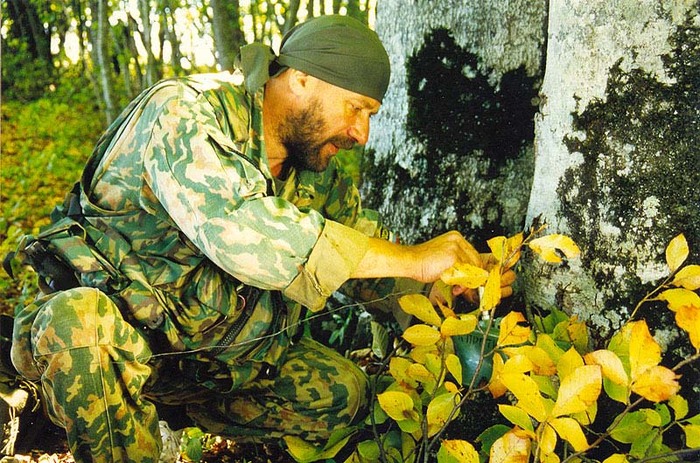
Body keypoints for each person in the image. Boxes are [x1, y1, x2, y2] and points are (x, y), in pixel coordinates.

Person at [9, 14, 510, 463]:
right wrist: (412, 258)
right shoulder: (184, 112)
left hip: (209, 368)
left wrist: (440, 290)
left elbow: (362, 258)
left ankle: (166, 419)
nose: (361, 134)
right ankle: (38, 407)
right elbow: (245, 231)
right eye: (356, 108)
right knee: (82, 324)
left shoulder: (317, 173)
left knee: (343, 395)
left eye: (371, 116)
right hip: (108, 345)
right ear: (300, 79)